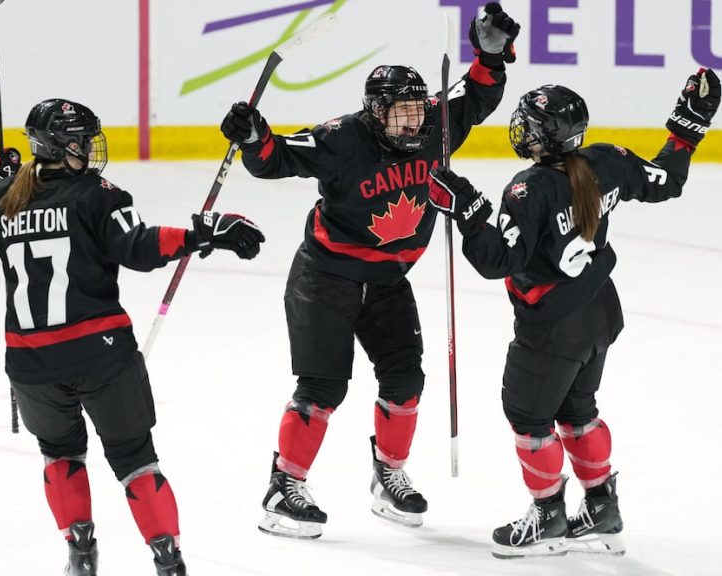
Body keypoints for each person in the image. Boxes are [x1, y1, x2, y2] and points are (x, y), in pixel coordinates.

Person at [219, 3, 520, 539]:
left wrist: (491, 55)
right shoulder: (342, 138)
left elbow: (476, 95)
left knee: (406, 381)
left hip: (388, 281)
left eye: (416, 110)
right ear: (375, 113)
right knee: (321, 387)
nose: (413, 120)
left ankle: (389, 475)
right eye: (400, 113)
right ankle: (284, 486)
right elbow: (275, 159)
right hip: (325, 277)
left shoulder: (434, 125)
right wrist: (252, 135)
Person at [0, 98, 265, 575]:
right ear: (58, 144)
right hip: (101, 357)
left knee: (59, 454)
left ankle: (81, 554)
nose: (89, 147)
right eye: (80, 139)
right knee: (136, 459)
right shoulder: (97, 194)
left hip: (31, 366)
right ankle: (169, 562)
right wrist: (205, 233)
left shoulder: (2, 200)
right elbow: (137, 247)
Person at [427, 69, 722, 557]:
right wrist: (688, 122)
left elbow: (497, 260)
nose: (519, 129)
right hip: (598, 314)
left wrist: (468, 211)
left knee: (528, 416)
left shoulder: (529, 190)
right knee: (577, 412)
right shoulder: (606, 160)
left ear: (546, 136)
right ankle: (602, 508)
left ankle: (547, 518)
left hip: (551, 329)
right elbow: (666, 180)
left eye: (528, 123)